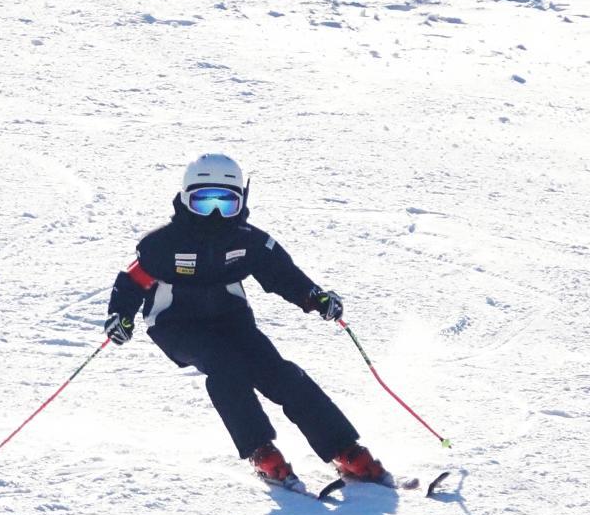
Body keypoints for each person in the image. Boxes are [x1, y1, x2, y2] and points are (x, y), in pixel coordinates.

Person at [104, 153, 392, 492]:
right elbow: (132, 281)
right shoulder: (163, 244)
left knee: (281, 373)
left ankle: (343, 448)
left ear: (241, 201)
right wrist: (120, 316)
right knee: (224, 366)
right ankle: (261, 450)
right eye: (203, 202)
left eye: (225, 203)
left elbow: (282, 274)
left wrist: (314, 297)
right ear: (185, 199)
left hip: (231, 320)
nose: (213, 213)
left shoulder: (248, 240)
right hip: (175, 324)